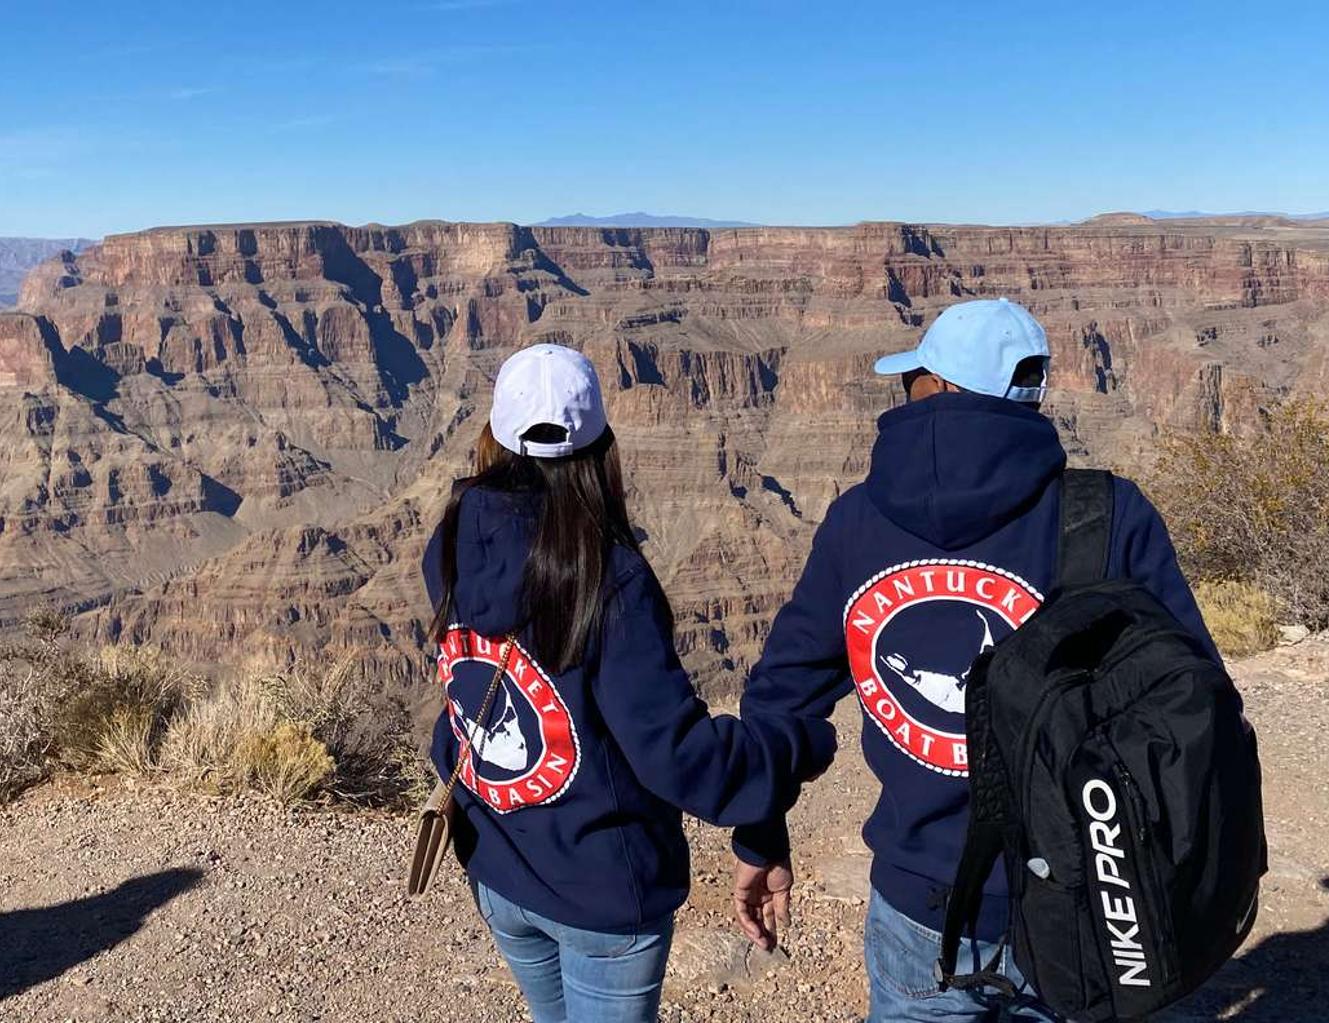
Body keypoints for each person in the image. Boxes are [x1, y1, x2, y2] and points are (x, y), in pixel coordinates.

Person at [727, 298, 1222, 1022]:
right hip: (1085, 899)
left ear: (943, 390)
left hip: (918, 897)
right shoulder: (1108, 515)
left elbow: (781, 696)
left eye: (917, 377)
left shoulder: (857, 522)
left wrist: (760, 831)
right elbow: (1193, 705)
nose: (908, 390)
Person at [424, 343, 834, 1023]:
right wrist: (789, 747)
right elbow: (677, 756)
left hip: (498, 858)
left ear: (491, 436)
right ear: (601, 448)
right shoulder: (607, 578)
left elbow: (462, 676)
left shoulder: (453, 534)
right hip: (600, 893)